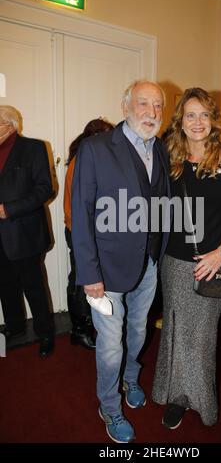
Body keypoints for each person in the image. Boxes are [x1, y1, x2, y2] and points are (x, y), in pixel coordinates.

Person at [71, 80, 170, 443]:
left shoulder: (159, 148)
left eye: (158, 106)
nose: (152, 112)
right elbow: (81, 214)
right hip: (106, 270)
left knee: (140, 331)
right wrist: (89, 274)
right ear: (126, 105)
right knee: (110, 344)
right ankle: (110, 406)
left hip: (148, 264)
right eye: (144, 103)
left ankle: (131, 378)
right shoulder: (96, 148)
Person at [152, 87, 221, 430]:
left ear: (213, 120)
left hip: (214, 263)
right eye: (190, 114)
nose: (197, 122)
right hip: (175, 261)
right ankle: (177, 397)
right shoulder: (170, 157)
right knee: (176, 331)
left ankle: (202, 401)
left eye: (204, 115)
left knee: (203, 336)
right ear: (180, 120)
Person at [0, 105, 54, 357]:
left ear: (9, 125)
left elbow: (45, 189)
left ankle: (45, 333)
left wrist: (8, 209)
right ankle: (15, 327)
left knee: (34, 287)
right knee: (5, 286)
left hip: (25, 234)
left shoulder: (33, 148)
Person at [64, 118, 114, 349]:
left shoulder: (92, 158)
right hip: (80, 232)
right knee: (79, 280)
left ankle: (84, 327)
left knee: (83, 278)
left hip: (88, 231)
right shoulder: (82, 161)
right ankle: (79, 329)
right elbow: (79, 207)